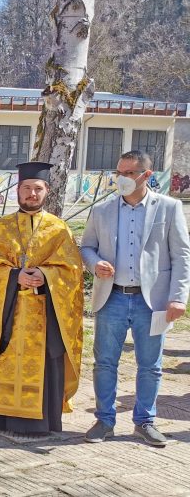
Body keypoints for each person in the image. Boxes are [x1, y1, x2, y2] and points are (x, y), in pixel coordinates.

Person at [81, 150, 190, 447]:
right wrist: (94, 264)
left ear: (147, 175)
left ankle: (145, 421)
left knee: (150, 364)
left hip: (151, 302)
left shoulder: (168, 208)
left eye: (130, 173)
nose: (123, 179)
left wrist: (178, 297)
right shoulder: (102, 210)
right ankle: (104, 420)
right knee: (104, 362)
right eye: (120, 172)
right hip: (111, 298)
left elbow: (181, 255)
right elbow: (86, 246)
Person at [0, 162, 84, 434]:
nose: (32, 194)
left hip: (44, 314)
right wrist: (14, 276)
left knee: (42, 361)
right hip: (10, 312)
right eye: (27, 188)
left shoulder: (59, 229)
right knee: (6, 356)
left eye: (38, 189)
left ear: (47, 191)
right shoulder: (2, 227)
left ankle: (43, 419)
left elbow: (72, 271)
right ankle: (3, 417)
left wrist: (45, 275)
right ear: (17, 191)